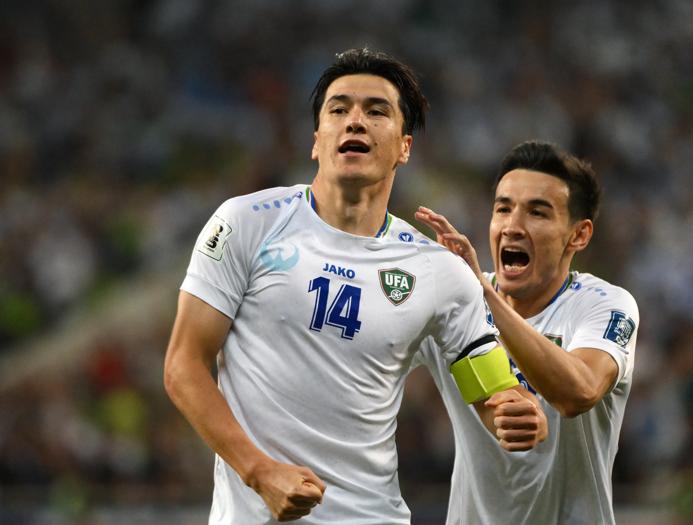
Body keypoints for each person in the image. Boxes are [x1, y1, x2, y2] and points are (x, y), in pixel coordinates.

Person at [163, 48, 543, 524]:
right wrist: (259, 471)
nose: (355, 121)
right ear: (317, 140)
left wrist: (513, 411)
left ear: (404, 147)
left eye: (376, 111)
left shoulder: (438, 271)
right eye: (339, 109)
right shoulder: (246, 223)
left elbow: (492, 391)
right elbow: (183, 366)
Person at [414, 140, 639, 524]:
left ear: (578, 235)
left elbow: (578, 392)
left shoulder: (605, 305)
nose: (513, 226)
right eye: (503, 209)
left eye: (537, 212)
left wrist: (483, 294)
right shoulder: (455, 303)